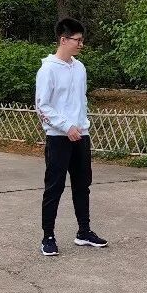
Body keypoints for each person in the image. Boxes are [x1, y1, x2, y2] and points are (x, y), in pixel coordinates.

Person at [36, 18, 107, 257]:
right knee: (54, 187)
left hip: (81, 135)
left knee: (82, 185)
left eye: (82, 40)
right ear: (63, 40)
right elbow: (42, 106)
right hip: (58, 137)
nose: (80, 44)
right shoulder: (48, 69)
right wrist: (66, 126)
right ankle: (48, 236)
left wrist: (82, 125)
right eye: (77, 40)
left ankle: (84, 231)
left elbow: (81, 99)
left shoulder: (80, 68)